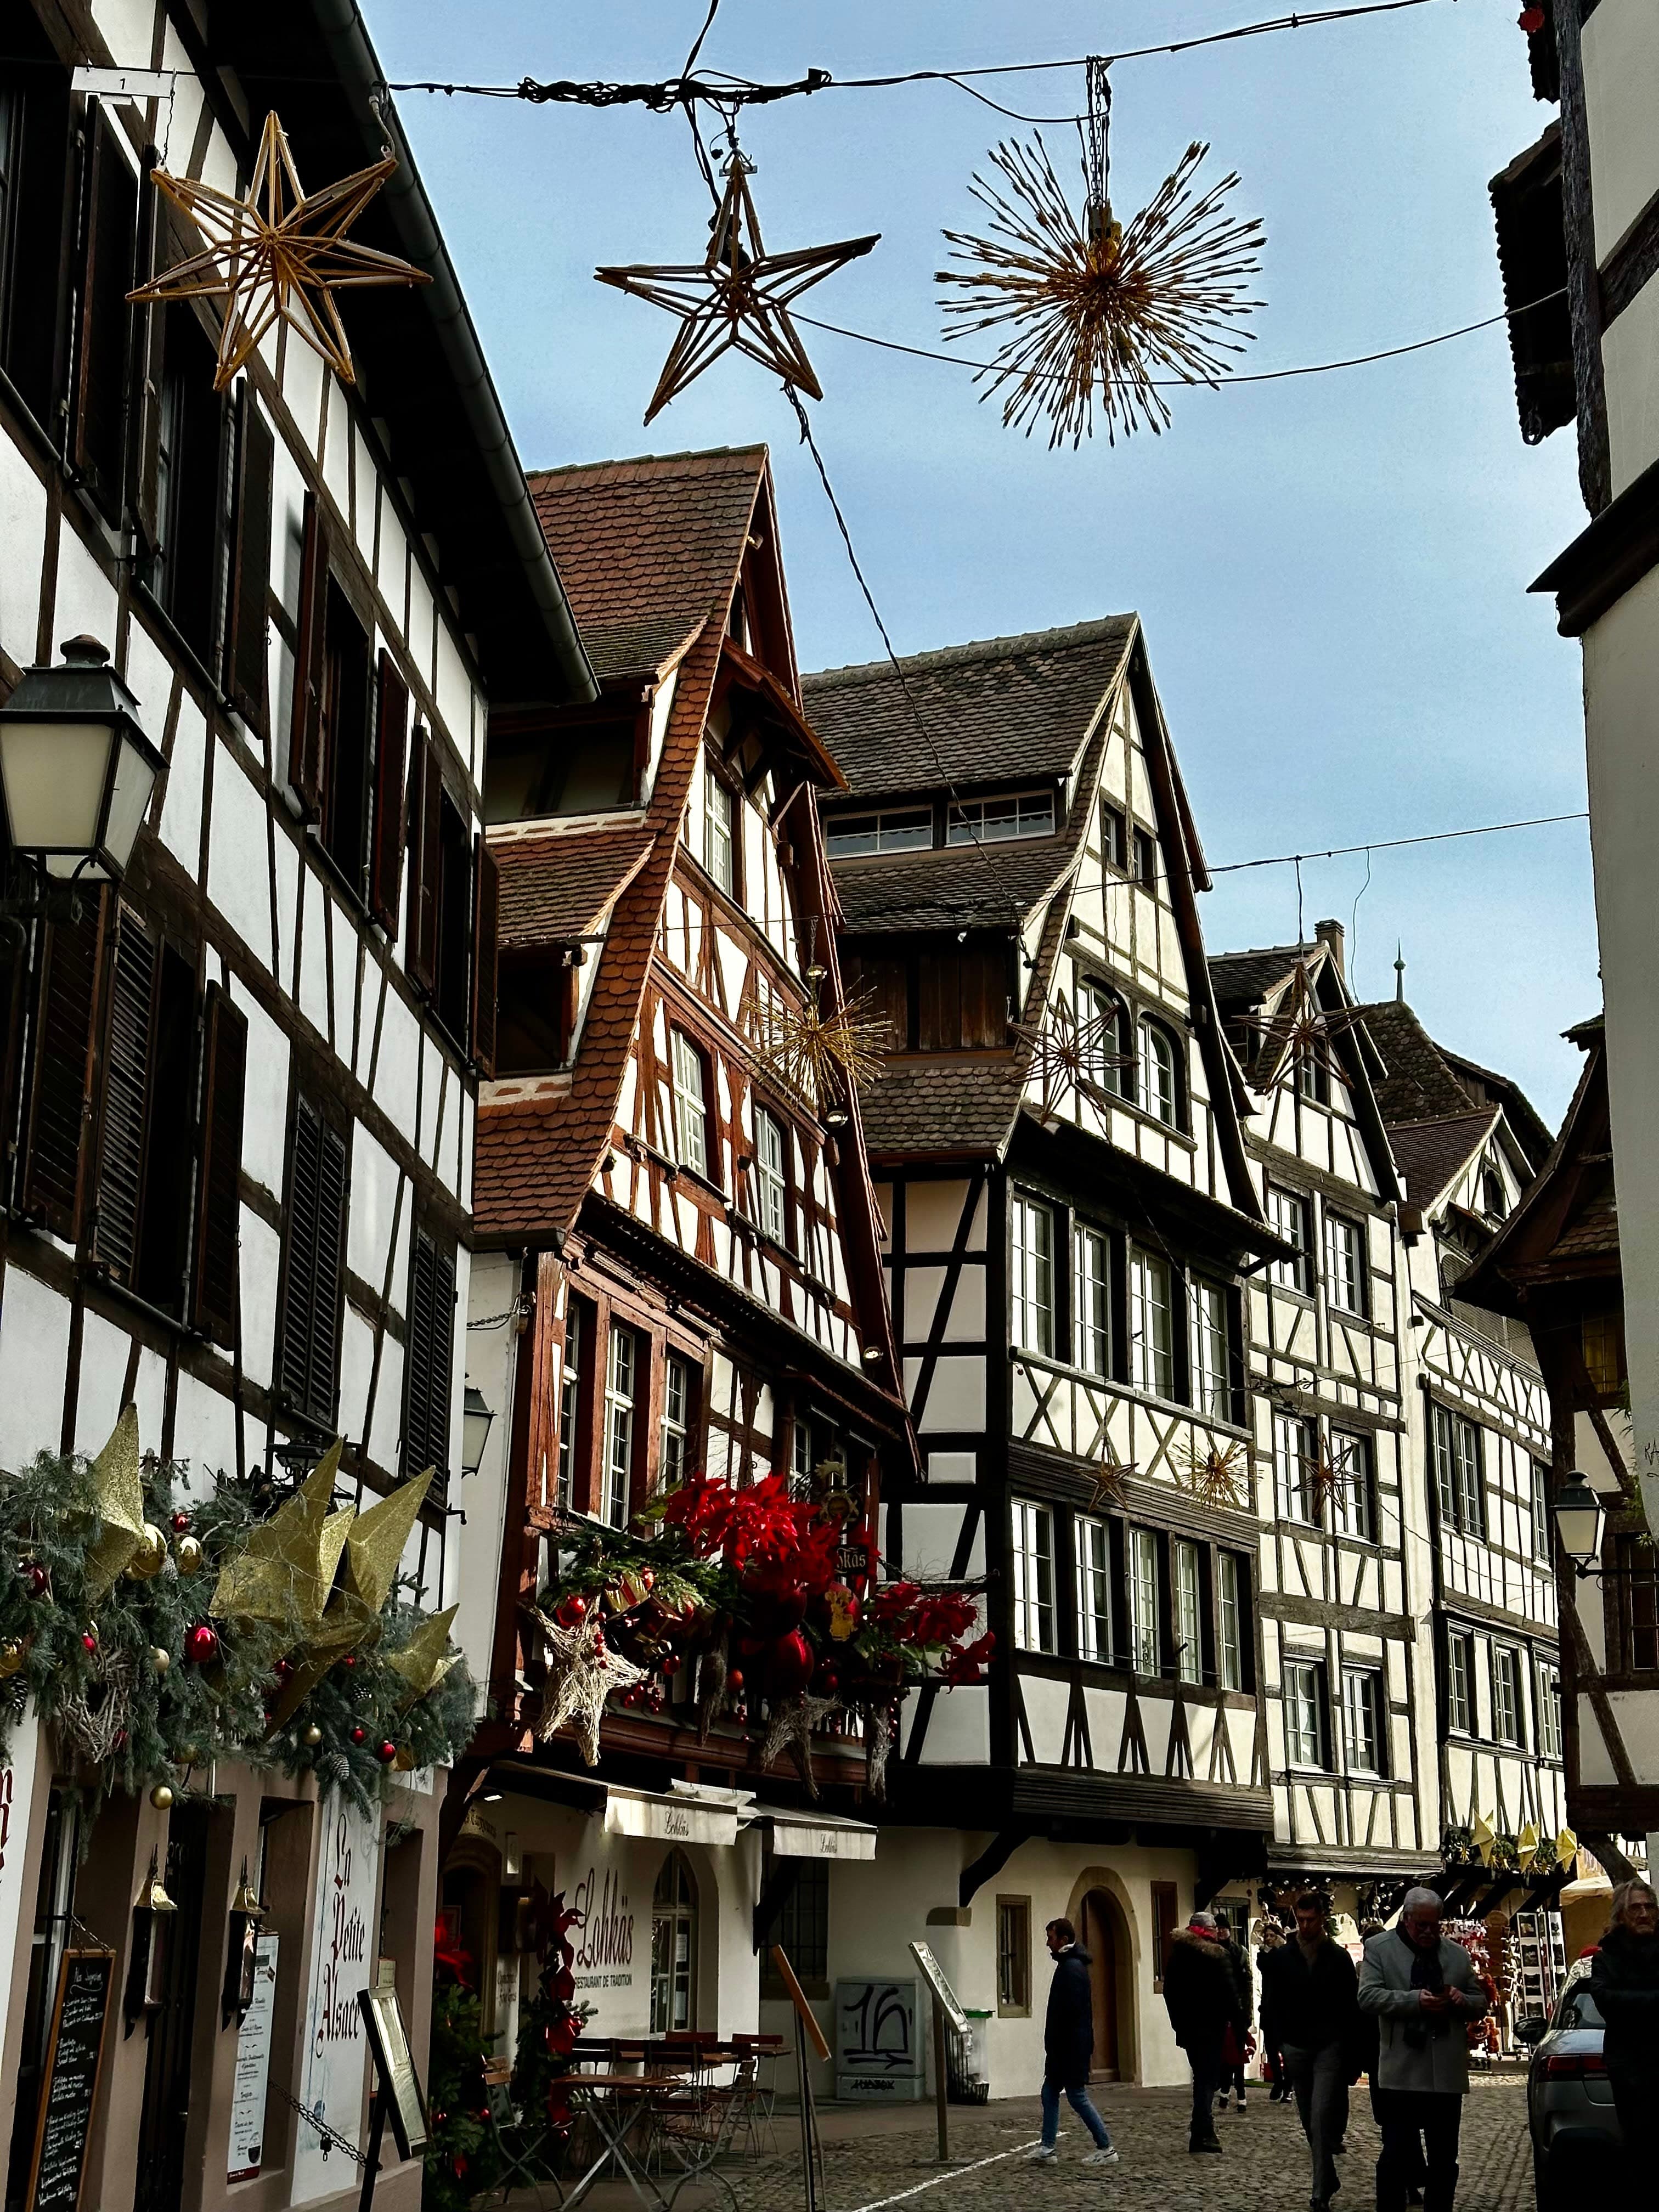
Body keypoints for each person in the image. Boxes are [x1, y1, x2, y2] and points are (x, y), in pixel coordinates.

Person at [1358, 1888, 1488, 2212]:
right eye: (1422, 1926)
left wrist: (1461, 2000)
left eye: (1435, 1925)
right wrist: (1413, 2000)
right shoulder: (1380, 1949)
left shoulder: (1456, 1955)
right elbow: (1368, 1997)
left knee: (1444, 2158)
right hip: (1400, 2073)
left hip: (1446, 2074)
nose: (1429, 1932)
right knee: (1396, 2154)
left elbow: (1479, 2003)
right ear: (1407, 1919)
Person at [1261, 1892, 1362, 2212]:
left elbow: (1351, 2009)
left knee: (1319, 2117)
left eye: (1311, 1920)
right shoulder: (1283, 1958)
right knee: (1307, 2118)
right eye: (1301, 1920)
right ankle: (1328, 2178)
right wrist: (1277, 2042)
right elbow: (1271, 2004)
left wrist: (1352, 2055)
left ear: (1322, 1919)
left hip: (1329, 2046)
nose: (1305, 1926)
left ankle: (1319, 2191)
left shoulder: (1338, 1958)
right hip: (1295, 2046)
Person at [1025, 1917, 1119, 2168]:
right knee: (1050, 2092)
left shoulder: (1072, 1969)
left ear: (1063, 1940)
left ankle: (1106, 2147)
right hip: (1065, 2046)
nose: (1048, 1943)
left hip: (1070, 2048)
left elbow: (1072, 2015)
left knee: (1077, 2096)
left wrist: (1062, 2047)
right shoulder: (1069, 1966)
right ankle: (1048, 2148)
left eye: (1051, 1938)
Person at [1588, 1877, 1659, 2185]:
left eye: (1649, 1907)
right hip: (1630, 2068)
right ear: (1621, 1915)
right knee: (1640, 2147)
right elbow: (1606, 2000)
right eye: (1636, 1908)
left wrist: (1634, 2002)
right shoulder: (1607, 1957)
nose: (1643, 1914)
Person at [1163, 1909, 1247, 2154]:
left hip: (1189, 2029)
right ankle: (1202, 2131)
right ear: (1208, 1931)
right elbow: (1231, 1996)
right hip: (1212, 2028)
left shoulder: (1178, 1955)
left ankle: (1202, 2127)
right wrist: (1241, 2030)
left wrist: (1179, 2024)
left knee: (1202, 2076)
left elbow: (1170, 1993)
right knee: (1207, 2079)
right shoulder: (1216, 1956)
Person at [1215, 1918, 1255, 2113]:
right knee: (1222, 2057)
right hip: (1217, 2010)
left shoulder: (1239, 1952)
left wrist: (1247, 2012)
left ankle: (1240, 2097)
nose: (1221, 1932)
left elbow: (1248, 1983)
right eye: (1218, 1928)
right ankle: (1224, 2091)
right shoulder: (1210, 1950)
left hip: (1237, 2009)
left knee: (1236, 2059)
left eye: (1224, 1928)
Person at [1258, 1922, 1292, 2102]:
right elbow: (1265, 1966)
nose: (1269, 1939)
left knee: (1287, 2051)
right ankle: (1278, 2082)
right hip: (1269, 2009)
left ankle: (1288, 2088)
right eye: (1266, 1936)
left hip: (1285, 2011)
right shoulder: (1263, 1956)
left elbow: (1282, 1967)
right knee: (1271, 2050)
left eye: (1272, 1936)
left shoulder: (1286, 1955)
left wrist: (1279, 1948)